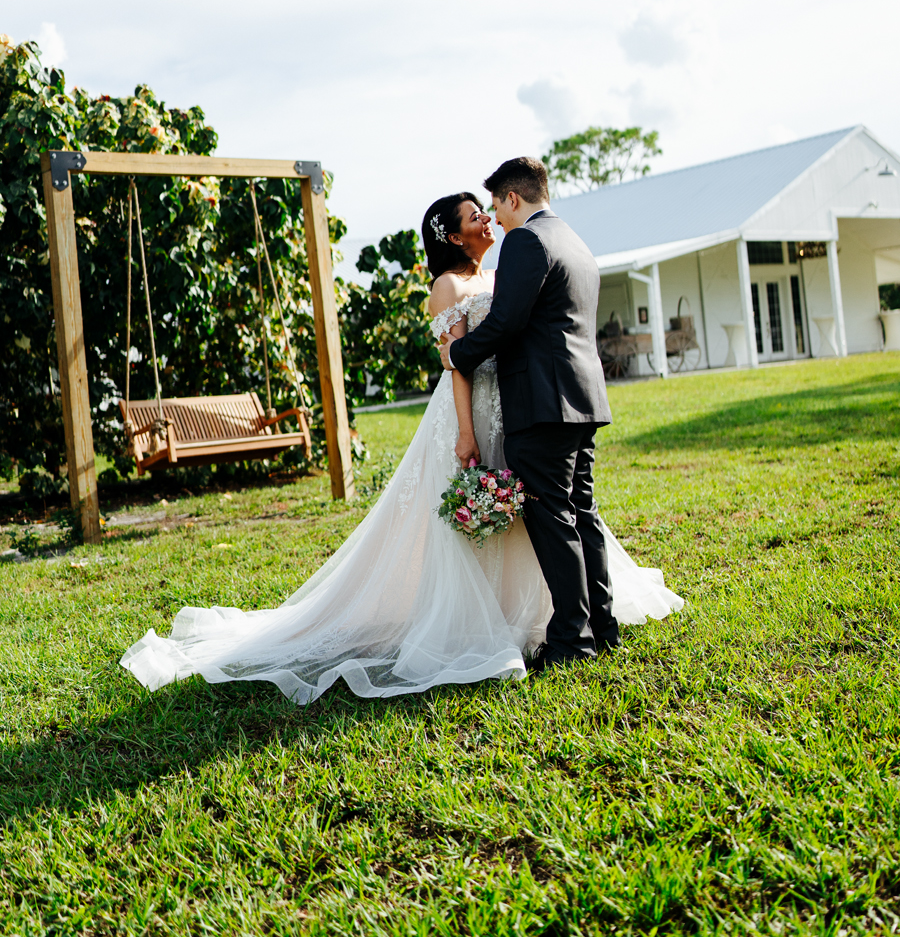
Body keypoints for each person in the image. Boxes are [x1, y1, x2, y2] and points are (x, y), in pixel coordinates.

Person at [120, 187, 681, 706]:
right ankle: (475, 621)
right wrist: (465, 430)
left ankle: (532, 612)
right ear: (454, 236)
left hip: (517, 408)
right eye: (473, 216)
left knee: (528, 512)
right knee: (480, 518)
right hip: (472, 408)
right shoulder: (449, 286)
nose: (486, 218)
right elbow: (457, 365)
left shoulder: (502, 271)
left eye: (487, 210)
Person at [439, 156, 627, 670]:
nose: (495, 219)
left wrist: (456, 354)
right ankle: (602, 627)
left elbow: (506, 322)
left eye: (496, 206)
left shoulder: (526, 240)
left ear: (513, 198)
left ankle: (571, 640)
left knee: (554, 519)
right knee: (582, 514)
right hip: (582, 398)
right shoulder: (572, 238)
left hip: (542, 404)